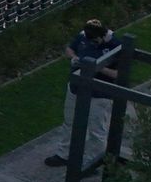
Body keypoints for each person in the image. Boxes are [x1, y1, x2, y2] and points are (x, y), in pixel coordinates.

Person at [45, 18, 124, 168]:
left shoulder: (116, 46)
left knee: (96, 130)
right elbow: (70, 48)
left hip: (99, 94)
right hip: (76, 87)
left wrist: (97, 67)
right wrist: (74, 58)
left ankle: (94, 161)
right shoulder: (83, 36)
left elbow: (118, 74)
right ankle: (64, 154)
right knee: (69, 122)